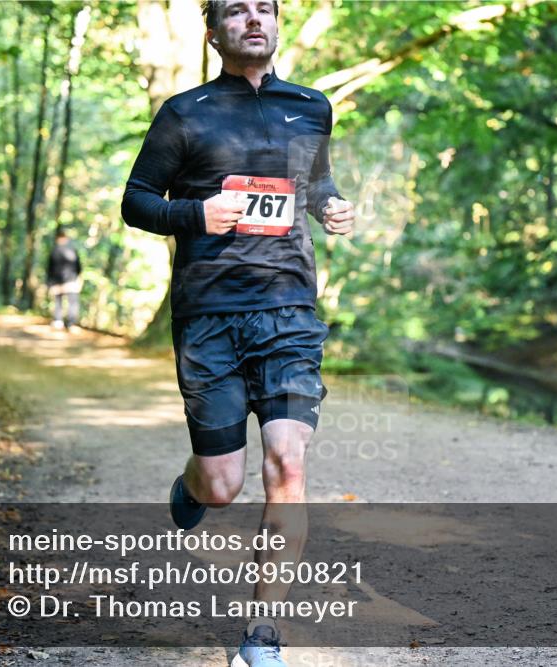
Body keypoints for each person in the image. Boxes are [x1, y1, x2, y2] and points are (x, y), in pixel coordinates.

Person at [120, 1, 354, 664]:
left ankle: (261, 635)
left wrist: (330, 204)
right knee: (224, 484)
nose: (254, 19)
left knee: (288, 462)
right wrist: (198, 213)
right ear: (213, 33)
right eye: (237, 11)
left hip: (289, 311)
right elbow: (136, 201)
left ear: (276, 24)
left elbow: (314, 181)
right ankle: (195, 483)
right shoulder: (184, 113)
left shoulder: (311, 106)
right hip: (209, 314)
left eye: (264, 9)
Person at [46, 229, 83, 331]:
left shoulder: (54, 251)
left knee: (59, 301)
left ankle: (58, 321)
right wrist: (78, 278)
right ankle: (70, 324)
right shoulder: (72, 250)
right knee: (72, 302)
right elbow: (79, 267)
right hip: (70, 281)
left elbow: (49, 269)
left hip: (58, 281)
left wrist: (49, 283)